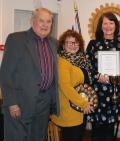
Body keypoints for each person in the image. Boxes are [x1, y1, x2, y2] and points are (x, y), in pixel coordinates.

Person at [0, 8, 59, 141]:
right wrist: (12, 102)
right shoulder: (16, 39)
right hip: (20, 103)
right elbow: (5, 74)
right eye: (41, 21)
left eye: (48, 21)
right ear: (32, 21)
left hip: (44, 104)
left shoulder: (54, 43)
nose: (45, 24)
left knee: (38, 137)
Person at [86, 12, 120, 141]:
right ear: (100, 26)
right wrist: (97, 76)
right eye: (105, 23)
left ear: (116, 26)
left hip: (113, 94)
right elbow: (86, 66)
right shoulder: (93, 45)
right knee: (96, 131)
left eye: (111, 23)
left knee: (109, 133)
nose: (108, 26)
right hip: (96, 94)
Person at [50, 30, 94, 141]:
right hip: (69, 111)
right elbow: (66, 87)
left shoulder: (82, 61)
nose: (73, 45)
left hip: (80, 109)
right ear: (63, 45)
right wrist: (83, 103)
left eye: (75, 42)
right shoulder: (62, 62)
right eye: (69, 42)